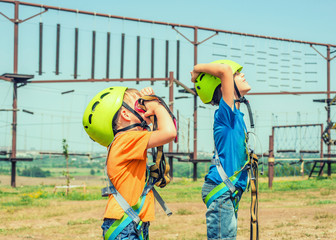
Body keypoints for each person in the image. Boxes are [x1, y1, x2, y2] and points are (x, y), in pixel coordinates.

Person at [82, 86, 177, 240]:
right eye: (139, 105)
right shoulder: (126, 140)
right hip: (124, 224)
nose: (144, 107)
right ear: (126, 114)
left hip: (131, 222)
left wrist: (153, 101)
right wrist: (156, 104)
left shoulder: (127, 140)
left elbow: (163, 126)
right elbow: (169, 132)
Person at [191, 59, 252, 240]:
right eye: (236, 74)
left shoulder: (235, 115)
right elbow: (225, 70)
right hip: (222, 189)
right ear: (222, 83)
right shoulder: (226, 113)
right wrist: (196, 70)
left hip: (227, 190)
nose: (242, 74)